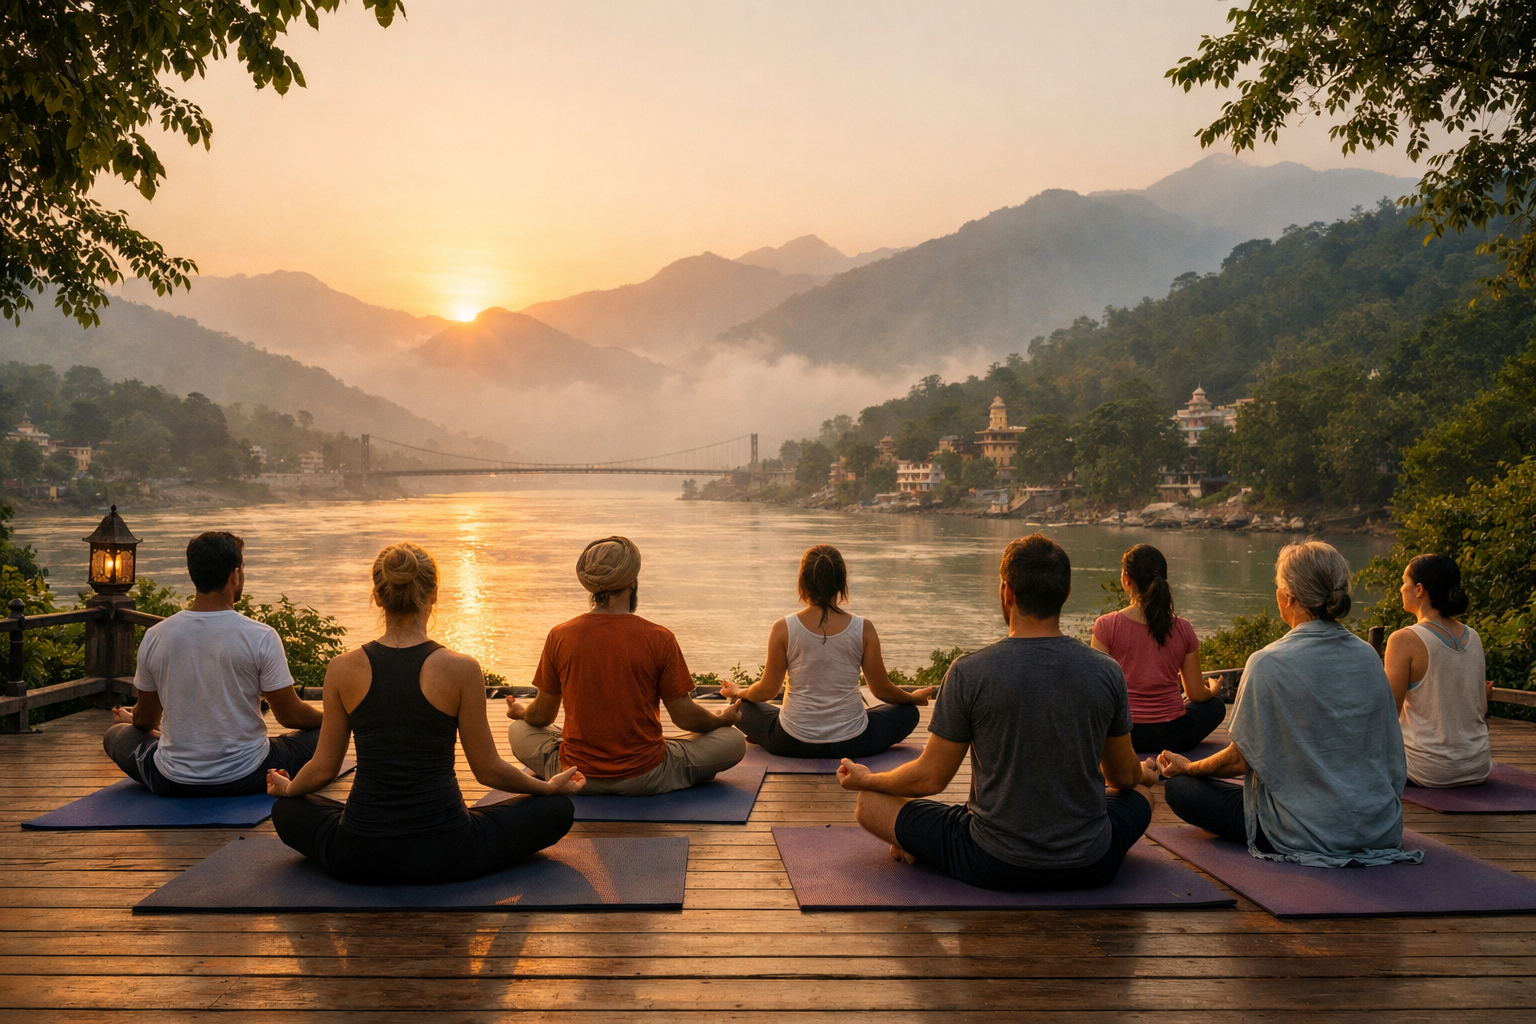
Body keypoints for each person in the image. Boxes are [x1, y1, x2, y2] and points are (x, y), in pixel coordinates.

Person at [836, 533, 1159, 892]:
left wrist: (867, 779)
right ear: (1066, 594)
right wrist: (1145, 774)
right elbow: (1121, 777)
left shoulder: (969, 672)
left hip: (992, 861)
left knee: (870, 804)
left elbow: (929, 779)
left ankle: (922, 849)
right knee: (1144, 796)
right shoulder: (1106, 671)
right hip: (1090, 863)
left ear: (1006, 592)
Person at [269, 543, 581, 885]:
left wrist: (289, 790)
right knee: (557, 811)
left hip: (358, 852)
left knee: (287, 811)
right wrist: (547, 788)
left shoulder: (342, 669)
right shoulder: (461, 669)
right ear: (433, 595)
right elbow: (488, 769)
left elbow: (325, 767)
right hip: (448, 851)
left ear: (377, 596)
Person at [1159, 540, 1422, 868]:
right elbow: (1390, 753)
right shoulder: (1368, 656)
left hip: (1302, 830)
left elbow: (1238, 762)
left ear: (1289, 597)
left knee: (1181, 790)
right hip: (1375, 828)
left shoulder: (1267, 662)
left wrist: (1187, 768)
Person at [507, 535, 746, 795]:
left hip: (575, 775)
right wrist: (722, 719)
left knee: (519, 729)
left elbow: (541, 717)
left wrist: (520, 711)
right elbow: (685, 717)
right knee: (733, 741)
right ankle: (671, 775)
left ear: (592, 588)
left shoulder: (560, 635)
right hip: (647, 775)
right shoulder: (659, 637)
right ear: (631, 583)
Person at [102, 531, 323, 797]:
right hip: (250, 775)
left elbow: (147, 718)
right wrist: (333, 720)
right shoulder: (260, 636)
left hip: (173, 780)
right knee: (323, 735)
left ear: (193, 575)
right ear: (235, 575)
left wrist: (134, 719)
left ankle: (174, 746)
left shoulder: (156, 636)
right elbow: (290, 716)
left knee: (116, 736)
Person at [719, 545, 932, 759]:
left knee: (740, 706)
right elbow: (882, 691)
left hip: (790, 742)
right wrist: (912, 697)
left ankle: (763, 734)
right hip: (855, 742)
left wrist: (739, 692)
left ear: (802, 583)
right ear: (841, 583)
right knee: (908, 712)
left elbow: (767, 691)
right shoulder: (863, 628)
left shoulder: (783, 628)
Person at [1091, 544, 1224, 754]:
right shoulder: (1183, 628)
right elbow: (1196, 694)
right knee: (1215, 707)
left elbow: (1097, 693)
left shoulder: (1107, 626)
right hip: (1174, 735)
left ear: (1126, 579)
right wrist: (1213, 691)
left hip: (1124, 736)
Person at [1385, 553, 1492, 788]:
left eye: (1405, 582)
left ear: (1419, 589)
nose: (1401, 588)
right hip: (1478, 764)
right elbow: (1480, 708)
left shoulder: (1403, 639)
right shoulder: (1473, 637)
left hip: (1428, 769)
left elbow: (1387, 714)